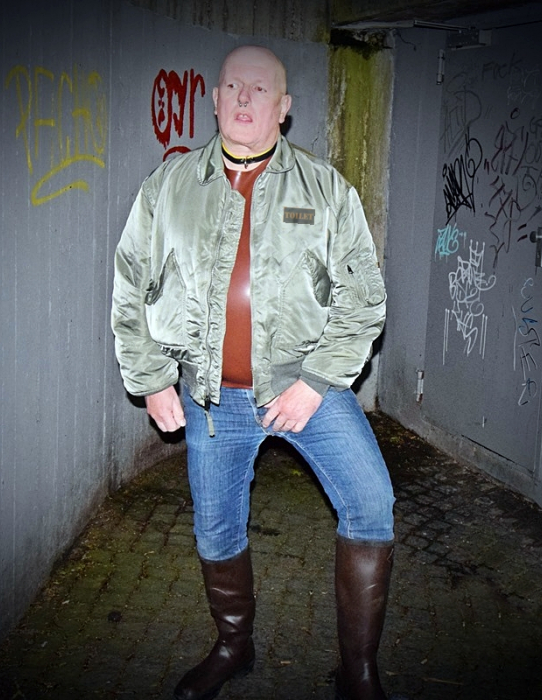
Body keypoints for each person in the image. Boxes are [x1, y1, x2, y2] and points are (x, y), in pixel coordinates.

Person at [111, 44, 396, 700]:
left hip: (306, 387)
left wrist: (316, 383)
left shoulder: (325, 189)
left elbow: (363, 300)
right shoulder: (168, 187)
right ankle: (233, 646)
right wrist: (151, 379)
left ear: (283, 108)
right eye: (233, 86)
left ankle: (357, 673)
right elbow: (130, 287)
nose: (244, 98)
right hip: (211, 399)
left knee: (370, 504)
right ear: (214, 101)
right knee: (215, 527)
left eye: (259, 89)